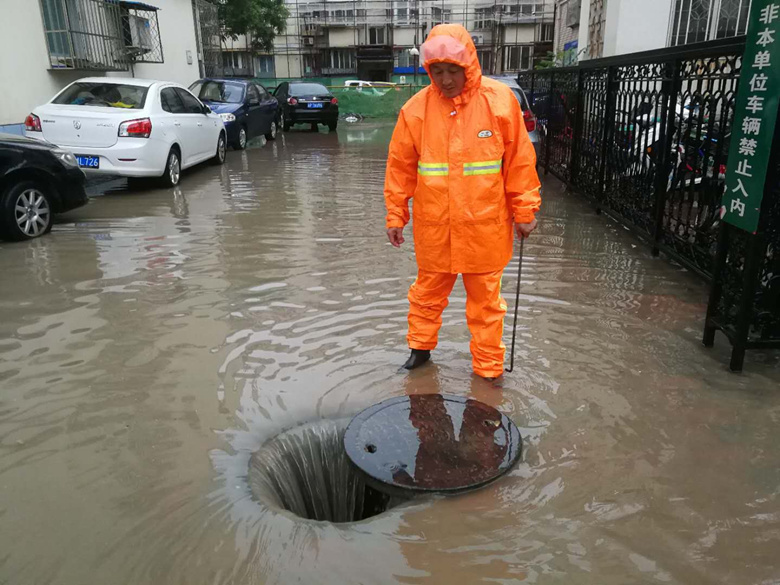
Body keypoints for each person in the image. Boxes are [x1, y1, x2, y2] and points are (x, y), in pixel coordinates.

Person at [384, 24, 541, 380]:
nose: (445, 80)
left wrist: (525, 210)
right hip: (435, 226)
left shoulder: (499, 101)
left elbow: (519, 161)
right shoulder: (415, 111)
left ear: (468, 64)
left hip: (485, 227)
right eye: (437, 71)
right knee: (426, 294)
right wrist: (396, 216)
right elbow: (400, 167)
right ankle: (419, 351)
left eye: (452, 70)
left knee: (486, 305)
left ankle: (488, 371)